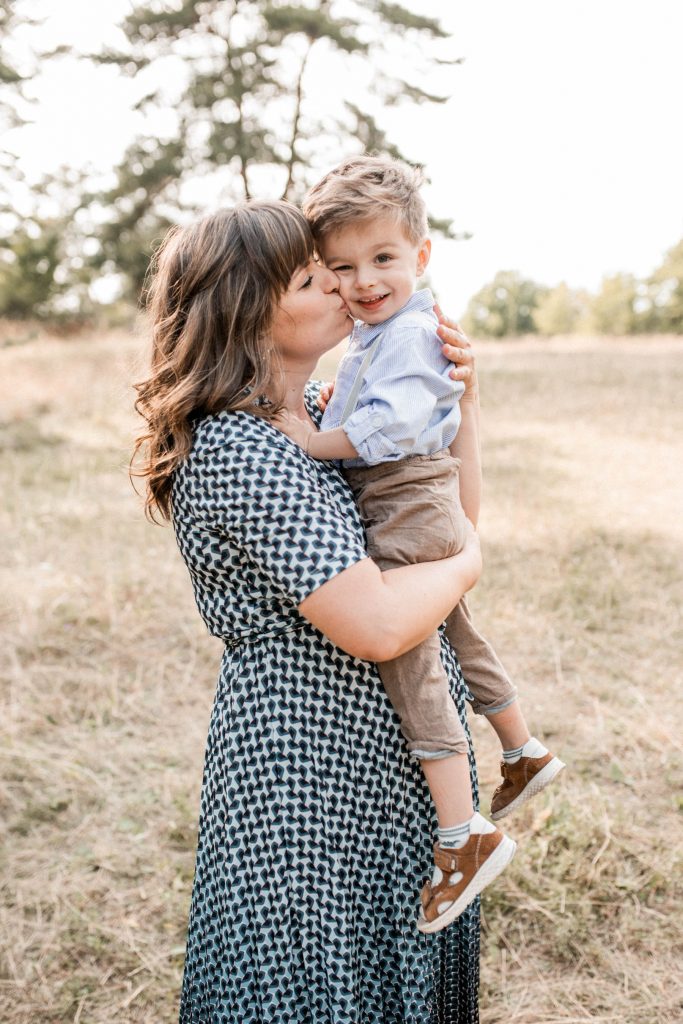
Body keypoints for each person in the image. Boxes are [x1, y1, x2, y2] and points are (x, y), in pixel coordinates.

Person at [133, 199, 484, 1022]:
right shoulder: (238, 446)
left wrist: (461, 403)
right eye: (308, 277)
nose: (339, 284)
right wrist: (471, 563)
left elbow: (445, 522)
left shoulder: (326, 414)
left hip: (388, 758)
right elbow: (379, 624)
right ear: (246, 309)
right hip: (307, 770)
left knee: (393, 978)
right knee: (315, 984)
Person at [277, 156, 564, 933]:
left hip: (404, 499)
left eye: (382, 258)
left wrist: (315, 440)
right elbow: (379, 400)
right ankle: (521, 747)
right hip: (418, 501)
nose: (363, 281)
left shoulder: (407, 333)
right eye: (341, 267)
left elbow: (391, 425)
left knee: (411, 657)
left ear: (421, 254)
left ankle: (462, 832)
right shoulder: (387, 332)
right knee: (454, 627)